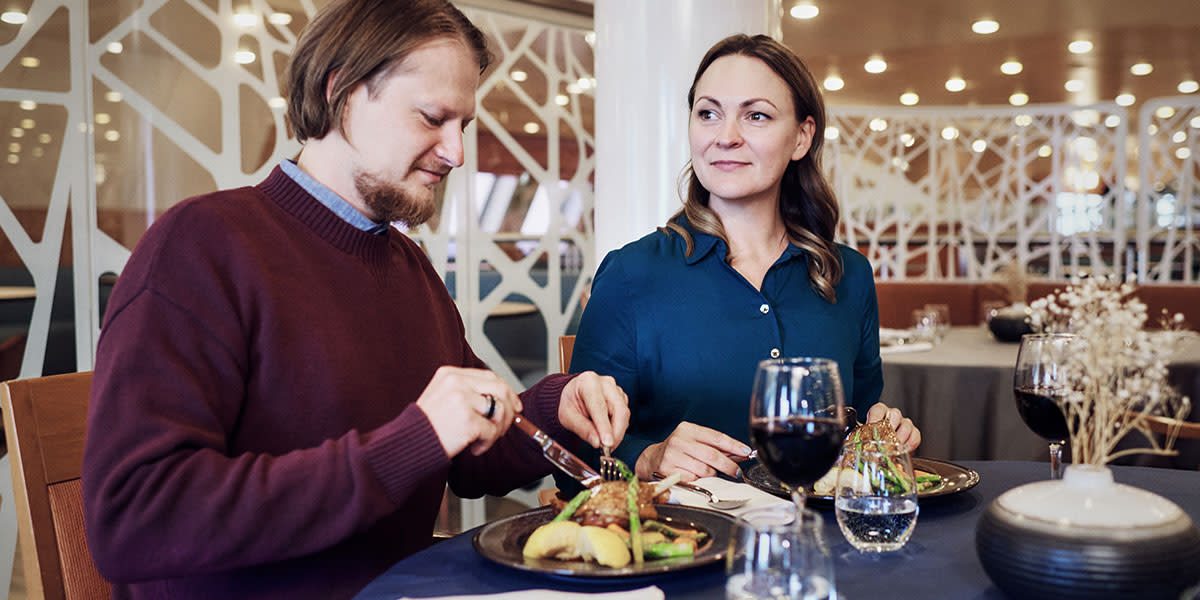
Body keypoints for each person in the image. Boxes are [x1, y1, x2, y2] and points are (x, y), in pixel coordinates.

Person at [80, 1, 628, 598]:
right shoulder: (201, 247)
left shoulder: (404, 263)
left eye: (462, 125)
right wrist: (410, 442)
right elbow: (133, 519)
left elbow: (471, 455)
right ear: (339, 91)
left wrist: (556, 408)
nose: (456, 153)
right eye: (432, 117)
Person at [564, 34, 920, 485]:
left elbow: (858, 429)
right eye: (708, 113)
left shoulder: (849, 276)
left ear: (802, 137)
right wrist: (649, 457)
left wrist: (883, 435)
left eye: (755, 116)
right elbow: (572, 458)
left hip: (822, 543)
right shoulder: (631, 274)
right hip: (687, 544)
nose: (725, 137)